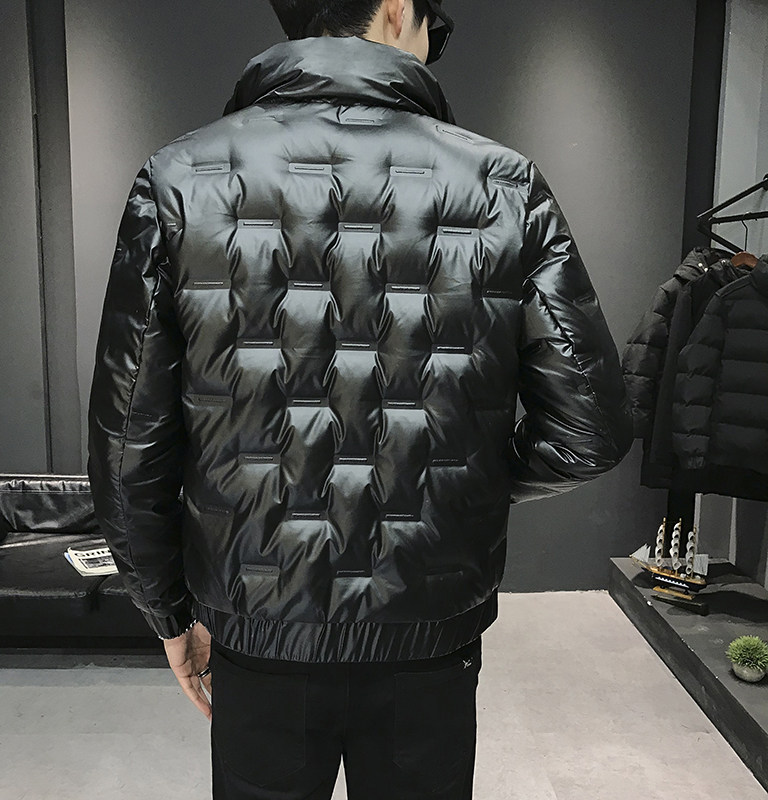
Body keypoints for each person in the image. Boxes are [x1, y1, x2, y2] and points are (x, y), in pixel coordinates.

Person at [86, 1, 633, 798]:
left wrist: (167, 610)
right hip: (428, 627)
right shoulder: (505, 185)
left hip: (258, 626)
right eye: (435, 28)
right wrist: (464, 483)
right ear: (399, 7)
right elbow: (592, 427)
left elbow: (125, 445)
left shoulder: (178, 180)